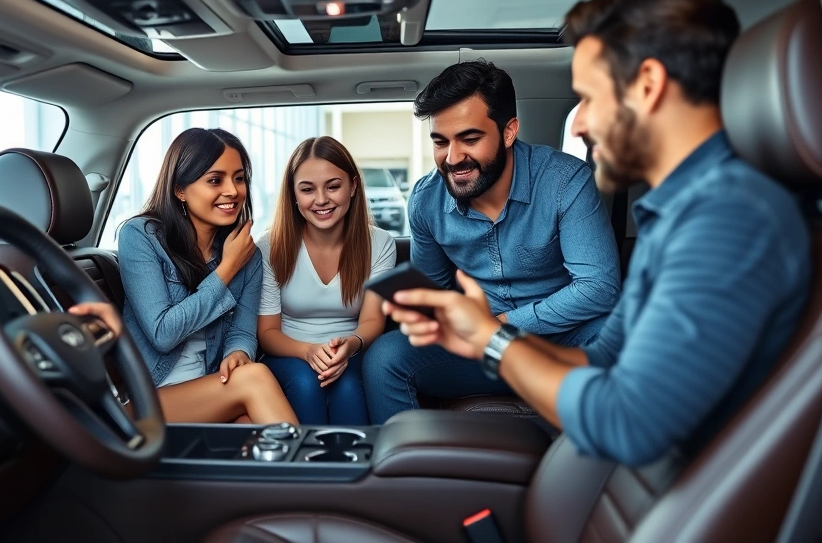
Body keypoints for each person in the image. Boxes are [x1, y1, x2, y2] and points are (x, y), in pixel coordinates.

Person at [383, 0, 811, 465]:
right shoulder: (677, 211)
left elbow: (628, 421)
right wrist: (484, 334)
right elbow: (606, 360)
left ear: (647, 86)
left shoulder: (728, 221)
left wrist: (492, 336)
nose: (580, 123)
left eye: (588, 97)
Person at [363, 60, 622, 424]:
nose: (452, 159)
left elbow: (599, 288)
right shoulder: (426, 201)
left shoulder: (565, 181)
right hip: (479, 351)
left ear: (509, 131)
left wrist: (499, 324)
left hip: (565, 340)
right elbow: (433, 291)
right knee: (384, 358)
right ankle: (408, 472)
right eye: (441, 142)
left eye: (469, 139)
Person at [107, 127, 297, 425]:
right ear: (180, 189)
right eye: (215, 180)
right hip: (148, 396)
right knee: (255, 379)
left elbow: (243, 332)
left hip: (209, 388)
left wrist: (239, 353)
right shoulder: (140, 236)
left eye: (239, 178)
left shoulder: (248, 255)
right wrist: (227, 269)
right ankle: (315, 471)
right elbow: (163, 333)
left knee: (251, 425)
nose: (233, 191)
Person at [256, 137, 396, 425]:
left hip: (352, 351)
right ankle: (306, 469)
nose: (321, 200)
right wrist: (307, 351)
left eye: (333, 186)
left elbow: (372, 322)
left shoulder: (380, 243)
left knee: (347, 388)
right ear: (293, 195)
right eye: (307, 189)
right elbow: (268, 332)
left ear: (353, 186)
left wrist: (350, 344)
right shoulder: (269, 246)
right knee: (306, 384)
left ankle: (357, 469)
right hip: (288, 352)